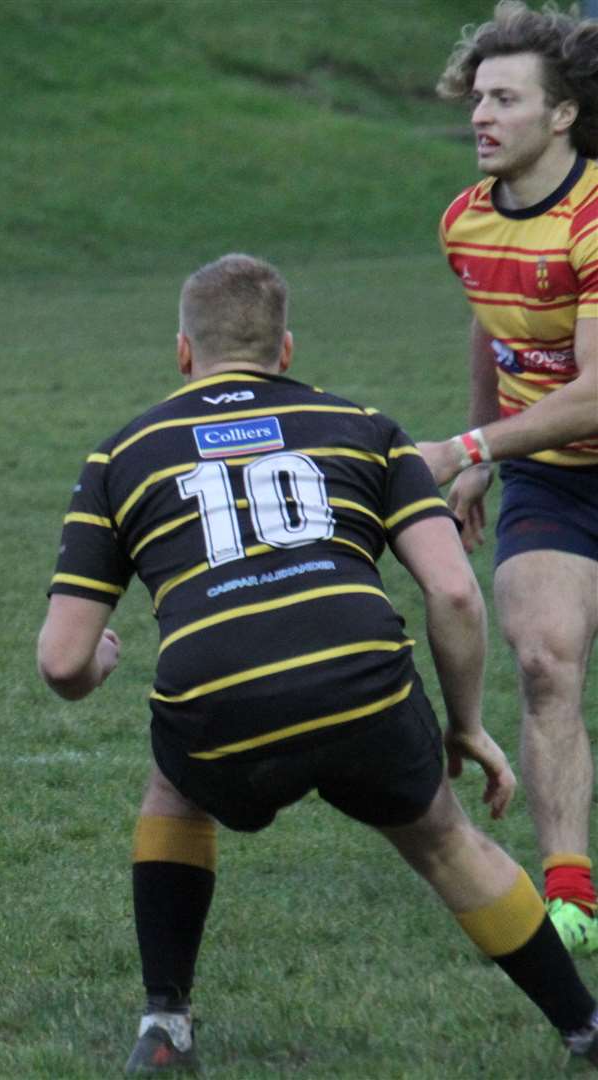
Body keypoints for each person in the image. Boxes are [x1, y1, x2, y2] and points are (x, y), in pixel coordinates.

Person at [36, 253, 598, 1073]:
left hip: (219, 700)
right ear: (287, 351)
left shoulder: (120, 456)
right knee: (443, 836)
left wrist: (102, 663)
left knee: (176, 789)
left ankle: (167, 1024)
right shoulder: (365, 427)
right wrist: (466, 725)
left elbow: (60, 663)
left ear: (183, 354)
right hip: (361, 686)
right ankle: (583, 1026)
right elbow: (454, 594)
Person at [421, 0, 598, 957]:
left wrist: (471, 450)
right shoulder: (466, 220)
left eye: (505, 99)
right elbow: (493, 321)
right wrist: (489, 449)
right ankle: (572, 894)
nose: (480, 116)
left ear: (562, 115)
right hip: (556, 480)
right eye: (477, 98)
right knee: (542, 658)